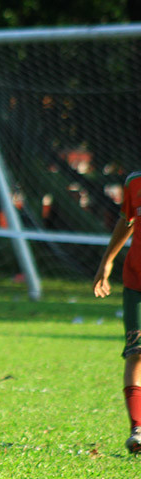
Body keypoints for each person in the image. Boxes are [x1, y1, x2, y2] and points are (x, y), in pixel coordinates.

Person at [94, 169, 141, 454]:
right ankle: (137, 429)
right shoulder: (134, 183)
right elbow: (127, 220)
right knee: (136, 351)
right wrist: (107, 261)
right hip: (137, 281)